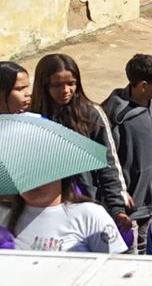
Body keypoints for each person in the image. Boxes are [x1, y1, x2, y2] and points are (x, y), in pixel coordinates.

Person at [31, 53, 129, 229]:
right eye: (57, 85)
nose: (66, 90)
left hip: (87, 202)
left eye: (71, 84)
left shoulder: (90, 114)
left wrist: (117, 207)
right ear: (44, 85)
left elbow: (108, 162)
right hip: (47, 208)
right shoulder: (34, 118)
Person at [102, 55, 152, 252]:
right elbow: (109, 159)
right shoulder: (117, 117)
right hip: (132, 205)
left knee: (150, 248)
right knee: (132, 253)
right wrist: (119, 193)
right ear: (143, 86)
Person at [0, 174, 125, 253]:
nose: (29, 179)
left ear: (62, 173)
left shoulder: (90, 214)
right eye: (20, 170)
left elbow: (116, 271)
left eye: (39, 170)